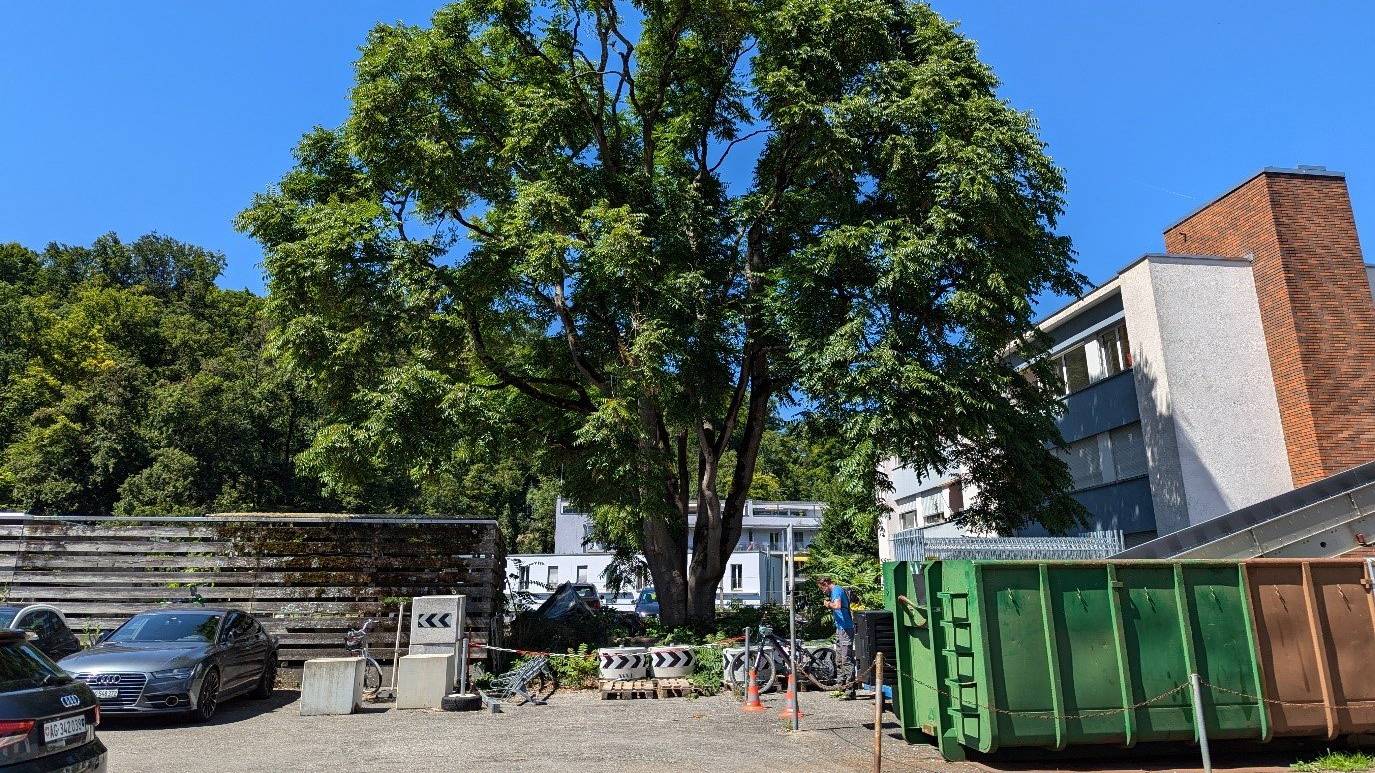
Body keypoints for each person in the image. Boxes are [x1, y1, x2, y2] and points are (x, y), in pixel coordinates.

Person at [817, 576, 856, 699]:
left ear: (826, 583)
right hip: (840, 628)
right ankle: (841, 687)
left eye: (822, 588)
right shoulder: (835, 592)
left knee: (846, 659)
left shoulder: (837, 590)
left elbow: (837, 605)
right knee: (839, 659)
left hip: (846, 628)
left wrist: (828, 604)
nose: (823, 591)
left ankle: (850, 691)